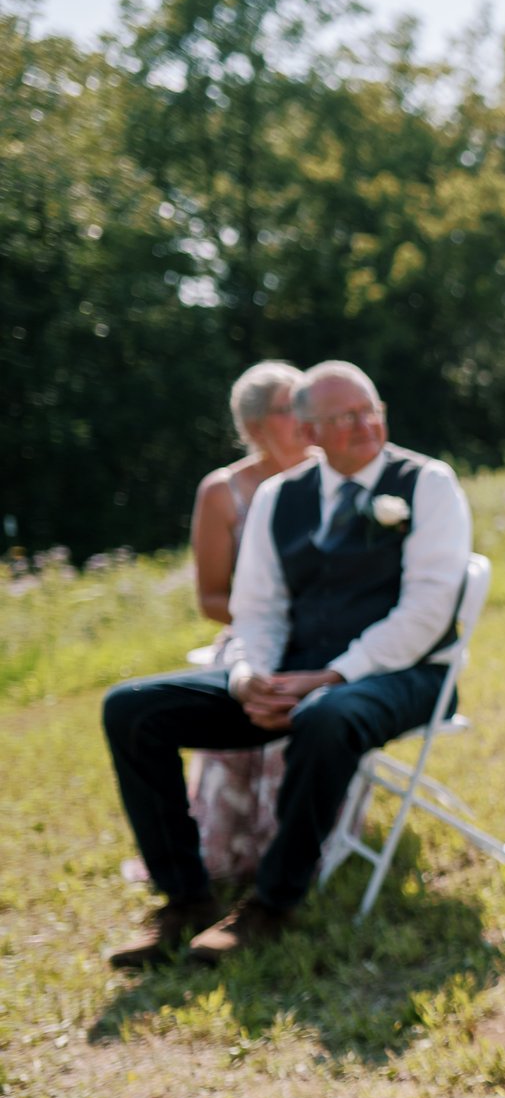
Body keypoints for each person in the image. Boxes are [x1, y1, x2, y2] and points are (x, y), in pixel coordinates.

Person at [102, 361, 471, 966]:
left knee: (327, 716)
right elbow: (258, 610)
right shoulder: (279, 498)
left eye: (370, 409)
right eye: (345, 417)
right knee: (132, 710)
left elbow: (427, 611)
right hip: (293, 674)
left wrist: (334, 674)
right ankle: (185, 899)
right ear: (310, 431)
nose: (365, 424)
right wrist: (249, 676)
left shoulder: (428, 484)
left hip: (406, 674)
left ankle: (272, 904)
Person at [188, 360, 313, 881]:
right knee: (248, 691)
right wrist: (265, 617)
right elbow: (212, 596)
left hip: (324, 640)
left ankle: (292, 839)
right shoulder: (223, 493)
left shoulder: (334, 474)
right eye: (291, 409)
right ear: (257, 426)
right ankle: (226, 848)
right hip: (251, 636)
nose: (305, 420)